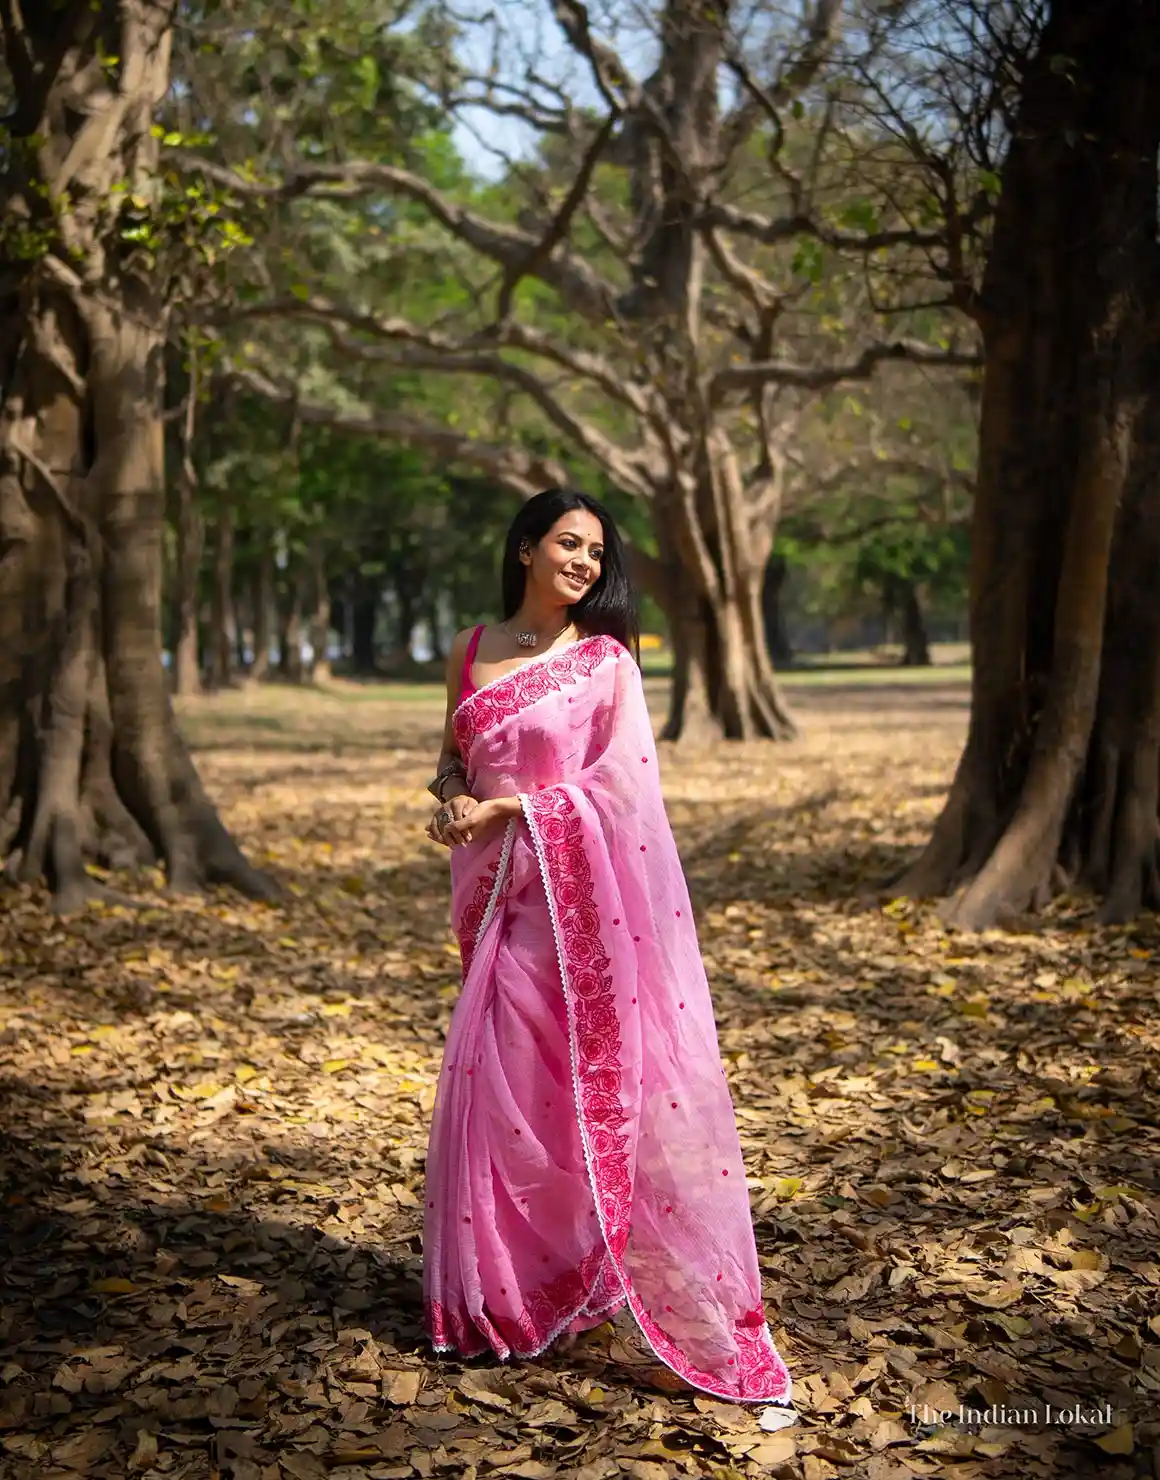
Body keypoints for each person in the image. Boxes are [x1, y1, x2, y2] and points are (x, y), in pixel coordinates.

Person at [420, 488, 792, 1404]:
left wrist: (518, 808)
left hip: (576, 913)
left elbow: (623, 787)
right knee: (492, 1090)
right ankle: (497, 1297)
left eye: (595, 551)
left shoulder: (605, 663)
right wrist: (452, 802)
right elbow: (451, 760)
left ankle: (575, 1274)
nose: (584, 563)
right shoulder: (469, 650)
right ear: (524, 550)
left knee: (561, 1092)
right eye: (567, 544)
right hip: (495, 902)